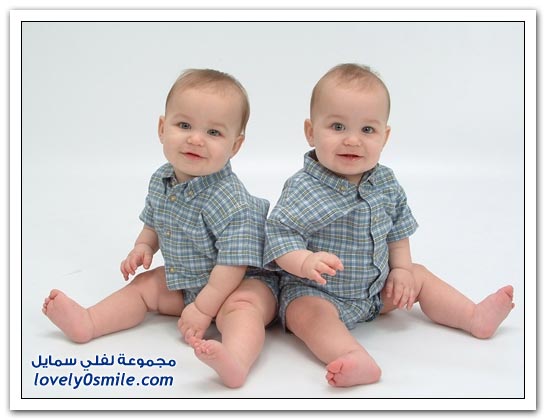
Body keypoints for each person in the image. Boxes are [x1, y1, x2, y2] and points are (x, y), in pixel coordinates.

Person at [263, 63, 515, 388]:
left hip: (377, 290)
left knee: (419, 275)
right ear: (311, 132)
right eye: (337, 126)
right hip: (318, 291)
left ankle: (473, 316)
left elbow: (397, 231)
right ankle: (353, 356)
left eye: (368, 130)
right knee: (307, 315)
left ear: (385, 136)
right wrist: (305, 261)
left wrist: (402, 270)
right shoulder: (303, 187)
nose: (352, 140)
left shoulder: (385, 181)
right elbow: (280, 236)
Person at [42, 68, 279, 388]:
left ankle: (236, 360)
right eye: (184, 125)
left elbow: (232, 265)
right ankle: (90, 321)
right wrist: (143, 246)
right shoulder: (162, 179)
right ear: (162, 128)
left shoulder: (231, 201)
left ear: (235, 146)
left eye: (213, 132)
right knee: (145, 286)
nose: (196, 139)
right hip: (189, 280)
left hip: (243, 282)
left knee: (243, 309)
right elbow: (154, 221)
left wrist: (203, 308)